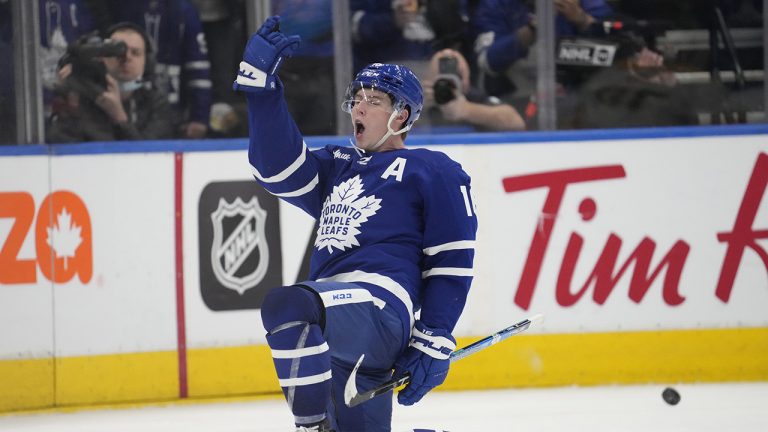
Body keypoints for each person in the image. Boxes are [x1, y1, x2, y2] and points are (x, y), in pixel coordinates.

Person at [233, 16, 478, 432]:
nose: (359, 107)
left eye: (375, 100)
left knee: (287, 305)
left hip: (380, 308)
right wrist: (262, 92)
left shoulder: (431, 168)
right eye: (357, 98)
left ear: (401, 116)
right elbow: (276, 169)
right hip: (335, 329)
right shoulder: (339, 166)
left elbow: (451, 260)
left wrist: (435, 336)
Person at [47, 22, 175, 142]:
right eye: (117, 51)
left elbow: (150, 157)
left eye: (135, 53)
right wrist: (69, 107)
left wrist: (119, 116)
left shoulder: (156, 104)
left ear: (146, 62)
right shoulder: (84, 96)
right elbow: (56, 145)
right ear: (103, 57)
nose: (126, 58)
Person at [110, 0, 212, 139]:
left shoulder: (184, 10)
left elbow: (198, 69)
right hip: (130, 107)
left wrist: (199, 117)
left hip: (174, 111)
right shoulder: (123, 7)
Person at [472, 0, 613, 98]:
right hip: (513, 99)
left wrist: (582, 20)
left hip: (575, 99)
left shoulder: (586, 3)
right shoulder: (497, 4)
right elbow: (488, 62)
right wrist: (533, 29)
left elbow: (616, 51)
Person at [421, 48, 525, 132]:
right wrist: (417, 108)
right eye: (441, 80)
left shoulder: (474, 99)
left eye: (455, 78)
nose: (446, 87)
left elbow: (517, 123)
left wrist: (468, 110)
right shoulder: (418, 102)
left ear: (466, 82)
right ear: (428, 80)